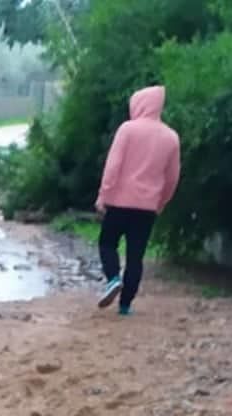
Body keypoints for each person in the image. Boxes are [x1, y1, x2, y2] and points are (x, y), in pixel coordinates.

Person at [94, 85, 180, 315]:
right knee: (135, 257)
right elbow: (172, 178)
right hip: (147, 208)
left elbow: (113, 166)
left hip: (119, 203)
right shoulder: (171, 137)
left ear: (138, 104)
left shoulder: (128, 130)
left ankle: (113, 279)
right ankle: (125, 305)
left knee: (107, 243)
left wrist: (104, 196)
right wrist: (161, 202)